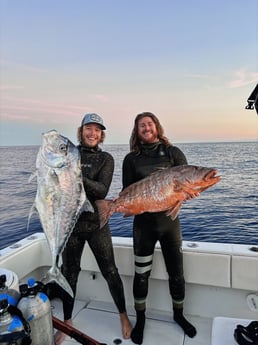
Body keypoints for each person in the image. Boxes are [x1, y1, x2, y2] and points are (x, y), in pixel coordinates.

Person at [54, 113, 132, 345]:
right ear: (81, 130)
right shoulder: (69, 154)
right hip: (70, 224)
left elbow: (101, 191)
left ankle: (123, 315)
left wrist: (76, 175)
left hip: (97, 223)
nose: (93, 133)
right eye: (89, 128)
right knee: (70, 272)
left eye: (97, 130)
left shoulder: (106, 159)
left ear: (101, 134)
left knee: (110, 271)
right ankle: (67, 322)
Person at [121, 112, 197, 344]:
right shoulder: (131, 159)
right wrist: (127, 206)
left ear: (157, 127)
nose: (146, 128)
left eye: (149, 123)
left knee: (177, 273)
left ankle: (179, 315)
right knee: (141, 275)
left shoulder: (173, 153)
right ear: (137, 131)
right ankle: (141, 320)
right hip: (143, 226)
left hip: (169, 224)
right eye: (141, 125)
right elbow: (128, 192)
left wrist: (188, 194)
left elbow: (188, 181)